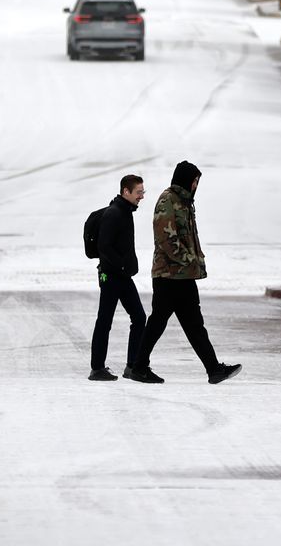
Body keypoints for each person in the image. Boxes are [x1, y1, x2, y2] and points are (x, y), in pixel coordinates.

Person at [130, 160, 240, 385]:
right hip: (168, 276)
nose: (196, 185)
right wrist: (189, 260)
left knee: (193, 324)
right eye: (195, 180)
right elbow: (166, 239)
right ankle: (139, 367)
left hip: (183, 276)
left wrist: (195, 262)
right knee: (158, 323)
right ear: (185, 181)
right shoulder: (168, 200)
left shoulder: (185, 202)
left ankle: (213, 369)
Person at [90, 174, 149, 382]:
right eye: (139, 192)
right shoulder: (115, 214)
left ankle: (132, 366)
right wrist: (123, 265)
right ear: (126, 191)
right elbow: (103, 246)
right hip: (111, 276)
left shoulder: (125, 212)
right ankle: (97, 368)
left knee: (139, 317)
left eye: (143, 192)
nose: (141, 196)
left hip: (121, 276)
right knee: (105, 321)